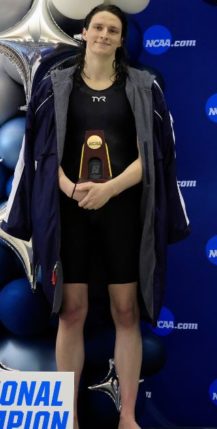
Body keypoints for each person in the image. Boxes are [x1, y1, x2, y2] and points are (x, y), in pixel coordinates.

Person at [2, 5, 190, 428]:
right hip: (70, 217)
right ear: (84, 33)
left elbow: (156, 156)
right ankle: (66, 414)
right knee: (72, 313)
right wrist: (69, 187)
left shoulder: (144, 87)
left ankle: (127, 415)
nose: (105, 34)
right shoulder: (54, 84)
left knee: (127, 313)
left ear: (122, 40)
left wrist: (108, 188)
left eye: (113, 29)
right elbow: (38, 150)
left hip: (123, 215)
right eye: (98, 27)